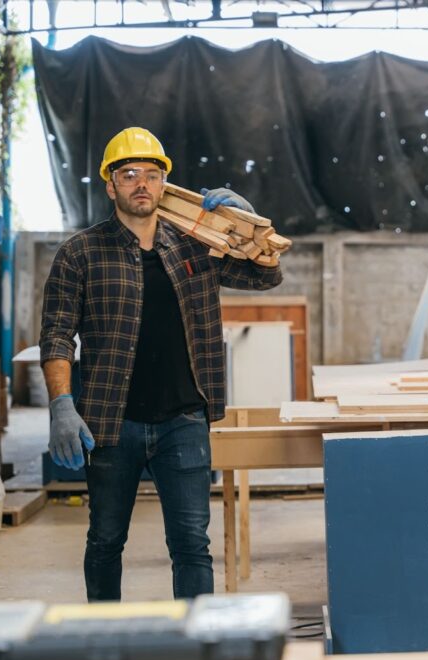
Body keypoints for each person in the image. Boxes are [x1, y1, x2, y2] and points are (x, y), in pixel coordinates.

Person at [40, 127, 282, 601]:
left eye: (152, 174)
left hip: (184, 420)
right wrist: (62, 405)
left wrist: (251, 225)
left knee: (192, 544)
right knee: (106, 540)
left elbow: (263, 276)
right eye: (129, 174)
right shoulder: (80, 253)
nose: (142, 184)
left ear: (165, 184)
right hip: (110, 423)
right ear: (111, 185)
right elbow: (56, 335)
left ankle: (198, 649)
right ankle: (107, 643)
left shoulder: (196, 244)